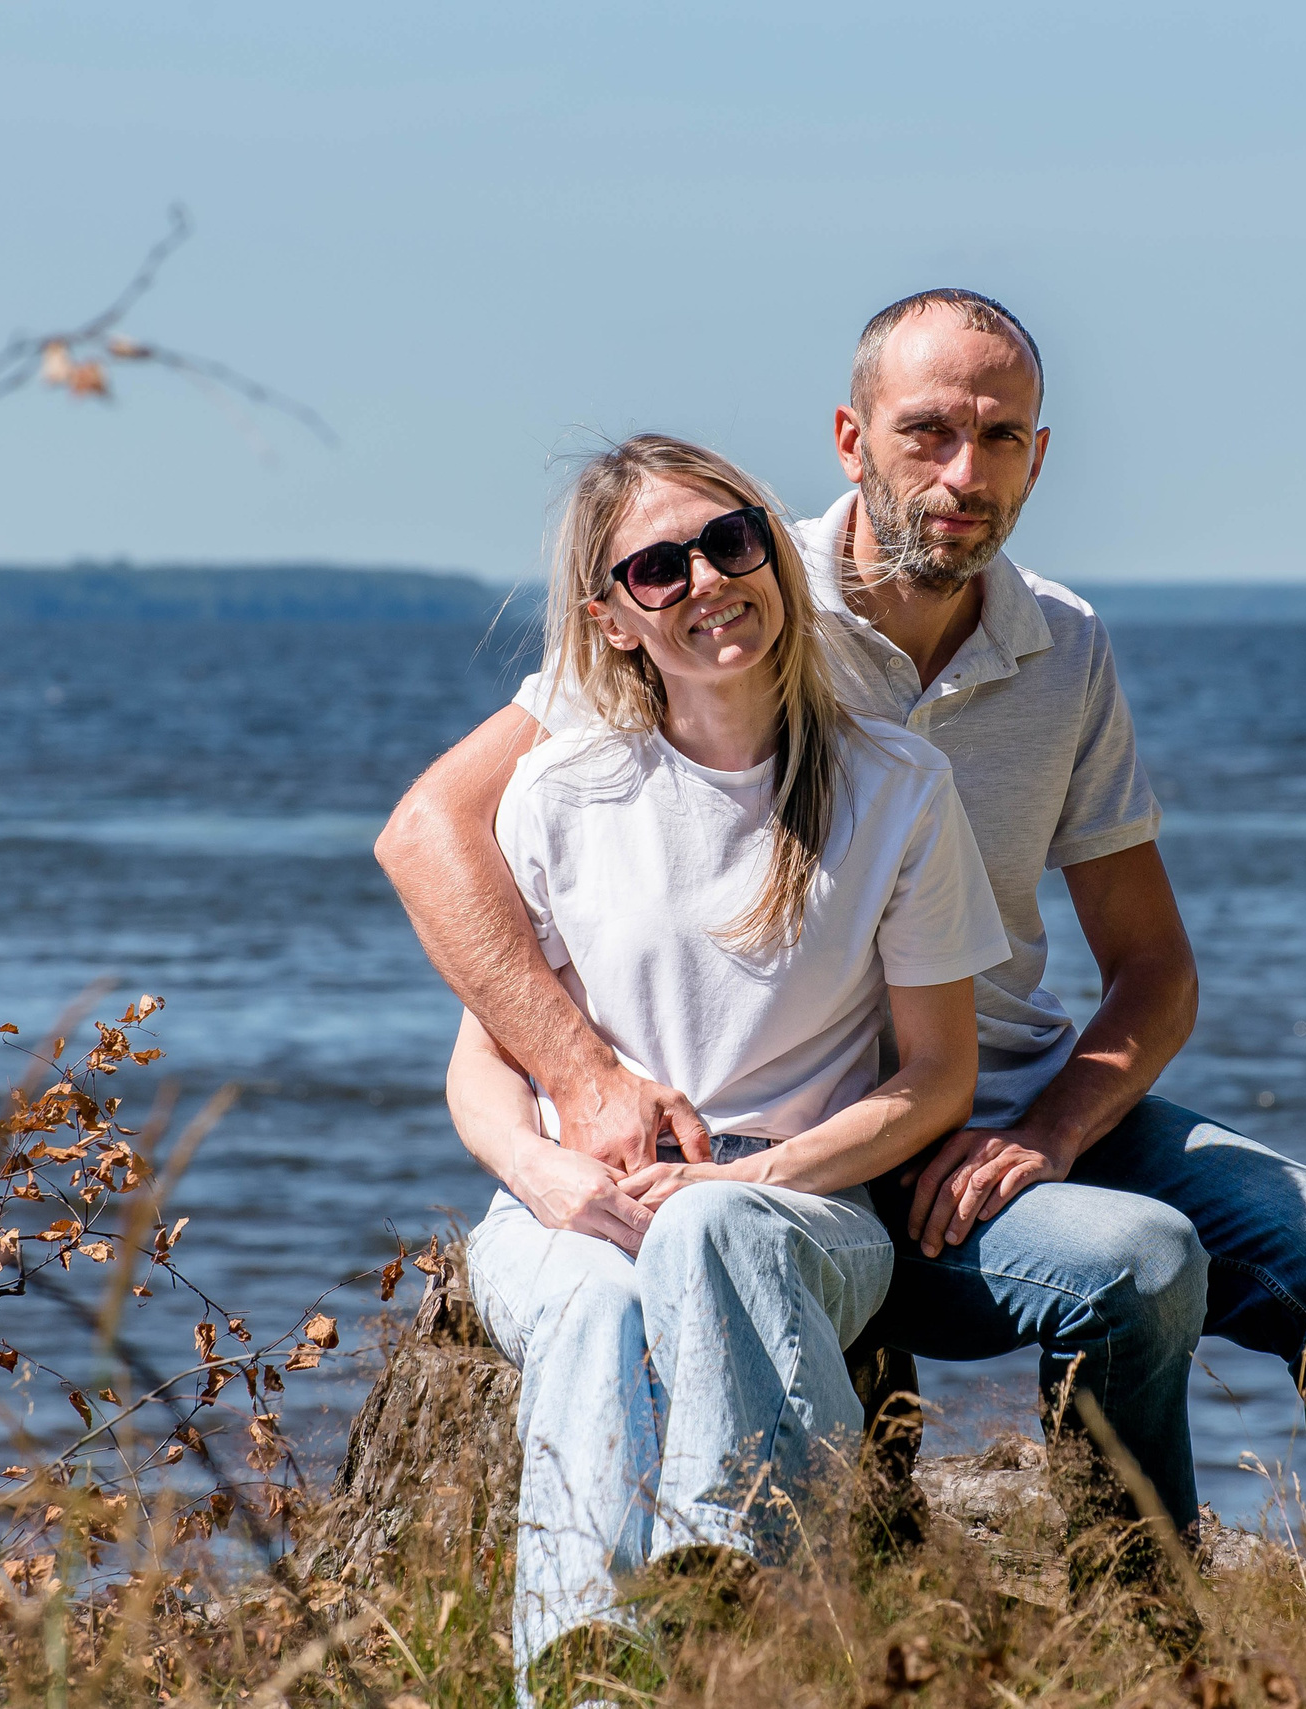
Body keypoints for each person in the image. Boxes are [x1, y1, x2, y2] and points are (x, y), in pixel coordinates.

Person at [381, 292, 1306, 1633]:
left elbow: (1154, 970)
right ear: (853, 437)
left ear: (1042, 456)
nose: (962, 474)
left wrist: (1046, 1127)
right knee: (1134, 1262)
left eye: (1000, 438)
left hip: (1007, 1095)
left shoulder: (1065, 645)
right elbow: (434, 830)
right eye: (927, 433)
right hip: (829, 1124)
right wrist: (579, 1077)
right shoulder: (728, 594)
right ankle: (1137, 1616)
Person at [445, 434, 1009, 1695]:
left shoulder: (897, 786)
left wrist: (744, 1182)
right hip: (573, 1205)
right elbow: (478, 1068)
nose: (706, 578)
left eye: (729, 539)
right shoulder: (556, 795)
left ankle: (723, 1599)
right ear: (614, 617)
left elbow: (935, 1080)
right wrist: (546, 1178)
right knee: (592, 1303)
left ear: (772, 550)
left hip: (804, 1202)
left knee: (710, 1239)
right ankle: (590, 1673)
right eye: (658, 565)